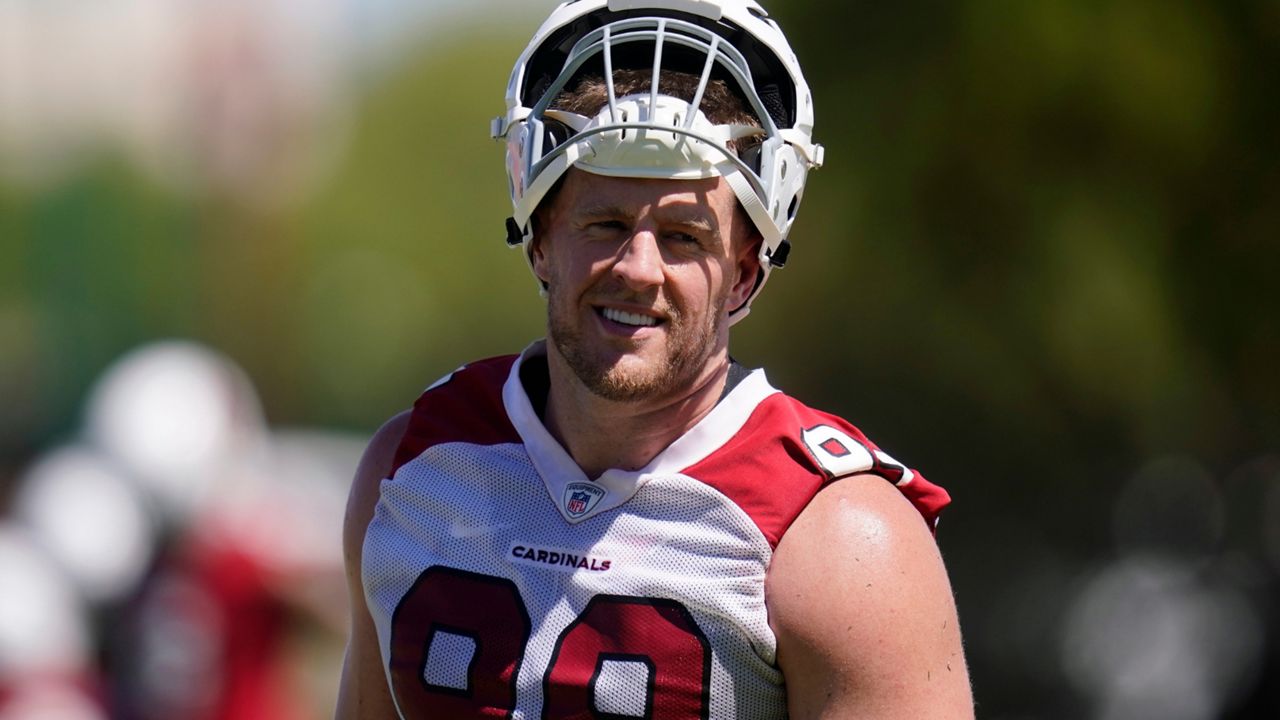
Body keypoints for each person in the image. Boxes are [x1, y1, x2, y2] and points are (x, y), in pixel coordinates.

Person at [337, 1, 973, 717]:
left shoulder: (843, 541)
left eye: (682, 236)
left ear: (745, 269)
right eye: (604, 223)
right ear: (540, 236)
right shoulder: (412, 465)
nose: (639, 268)